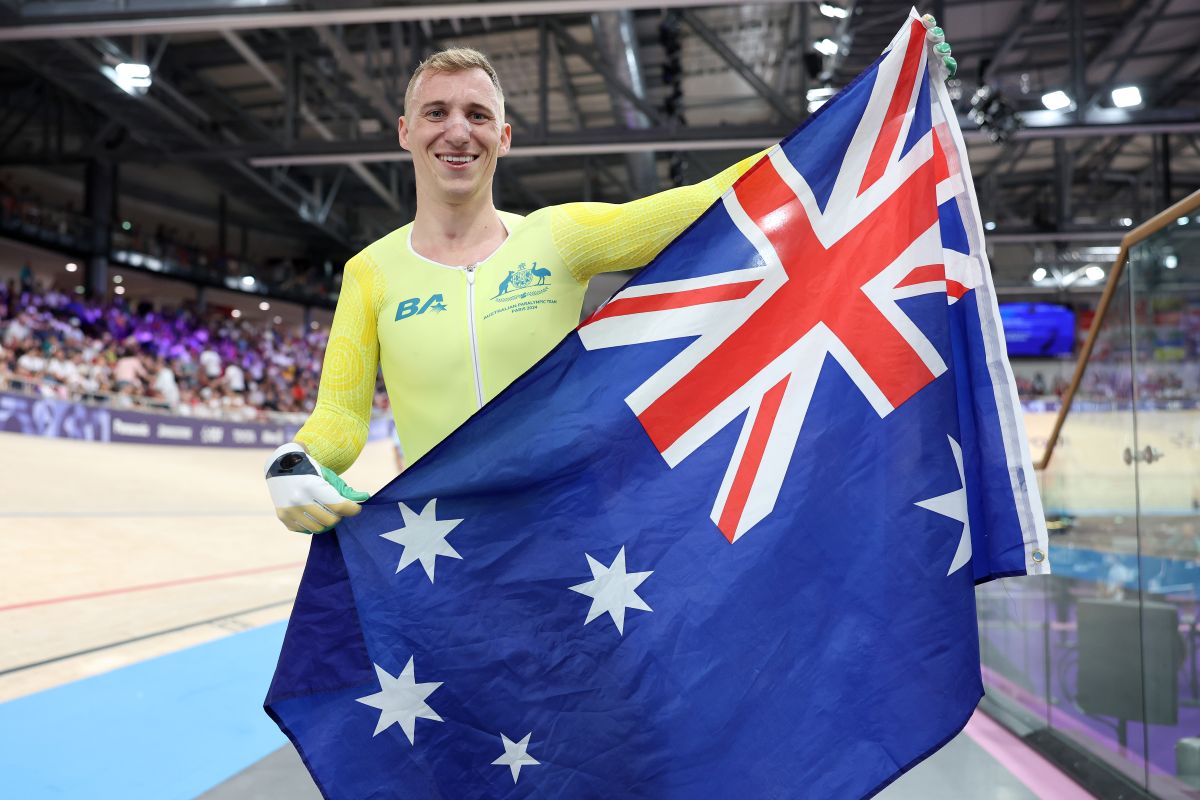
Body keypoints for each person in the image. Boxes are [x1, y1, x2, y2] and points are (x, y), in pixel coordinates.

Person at [265, 18, 956, 534]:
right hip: (443, 549)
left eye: (479, 115)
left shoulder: (556, 238)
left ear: (504, 138)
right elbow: (341, 420)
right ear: (405, 132)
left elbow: (705, 204)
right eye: (436, 113)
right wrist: (295, 458)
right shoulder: (371, 273)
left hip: (570, 529)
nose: (458, 131)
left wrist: (870, 114)